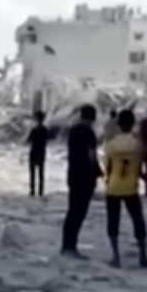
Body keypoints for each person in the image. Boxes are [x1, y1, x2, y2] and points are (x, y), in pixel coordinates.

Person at [102, 109, 147, 268]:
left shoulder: (111, 143)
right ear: (132, 124)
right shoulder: (138, 143)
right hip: (131, 187)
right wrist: (144, 178)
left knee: (113, 222)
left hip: (113, 187)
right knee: (138, 221)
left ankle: (116, 257)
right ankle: (143, 256)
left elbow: (108, 166)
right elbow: (140, 166)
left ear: (118, 124)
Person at [59, 105, 102, 257]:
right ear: (93, 118)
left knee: (72, 211)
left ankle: (67, 244)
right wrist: (98, 171)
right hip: (85, 176)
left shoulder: (73, 131)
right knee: (80, 211)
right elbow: (91, 155)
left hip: (73, 174)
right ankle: (71, 246)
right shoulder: (89, 133)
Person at [25, 110, 51, 198]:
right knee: (41, 173)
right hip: (42, 152)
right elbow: (49, 139)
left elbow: (28, 140)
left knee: (32, 173)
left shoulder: (34, 130)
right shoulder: (45, 130)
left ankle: (32, 191)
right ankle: (41, 191)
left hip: (34, 152)